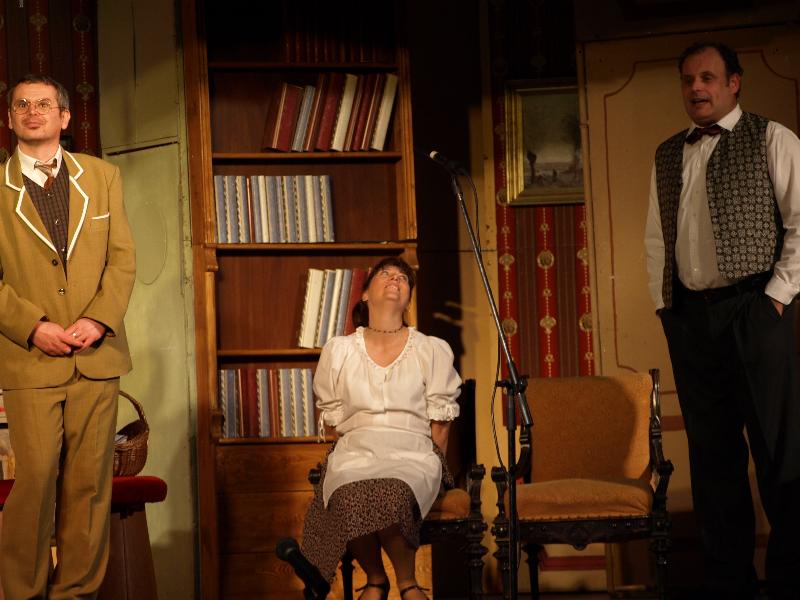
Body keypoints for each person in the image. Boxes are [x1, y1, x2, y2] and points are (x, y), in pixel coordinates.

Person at [645, 42, 800, 599]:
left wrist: (775, 298)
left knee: (779, 453)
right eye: (688, 79)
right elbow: (656, 236)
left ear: (734, 82)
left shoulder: (772, 137)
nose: (696, 88)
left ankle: (790, 579)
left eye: (708, 77)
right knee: (713, 459)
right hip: (691, 318)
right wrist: (666, 306)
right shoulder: (669, 153)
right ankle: (729, 584)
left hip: (754, 308)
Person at [0, 74, 136, 599]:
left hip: (96, 355)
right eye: (22, 104)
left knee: (88, 487)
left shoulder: (102, 176)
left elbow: (122, 260)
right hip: (30, 358)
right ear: (10, 118)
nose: (32, 111)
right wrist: (33, 326)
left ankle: (76, 594)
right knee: (35, 481)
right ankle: (22, 594)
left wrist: (99, 320)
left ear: (64, 116)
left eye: (43, 103)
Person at [300, 257, 461, 600]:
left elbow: (441, 422)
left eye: (403, 277)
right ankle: (376, 579)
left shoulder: (430, 349)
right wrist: (356, 448)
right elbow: (336, 421)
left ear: (408, 297)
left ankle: (407, 582)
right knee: (346, 492)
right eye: (385, 274)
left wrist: (435, 469)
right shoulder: (340, 350)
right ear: (364, 294)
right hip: (357, 451)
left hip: (413, 452)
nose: (395, 278)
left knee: (393, 490)